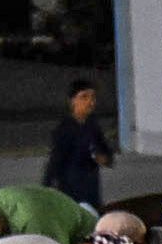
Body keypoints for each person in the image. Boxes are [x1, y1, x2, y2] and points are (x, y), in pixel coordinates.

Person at [44, 78, 116, 211]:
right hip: (71, 189)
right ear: (73, 101)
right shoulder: (64, 129)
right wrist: (47, 188)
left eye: (93, 97)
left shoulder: (93, 125)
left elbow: (105, 152)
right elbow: (55, 161)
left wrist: (104, 158)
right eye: (84, 97)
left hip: (91, 188)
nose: (90, 102)